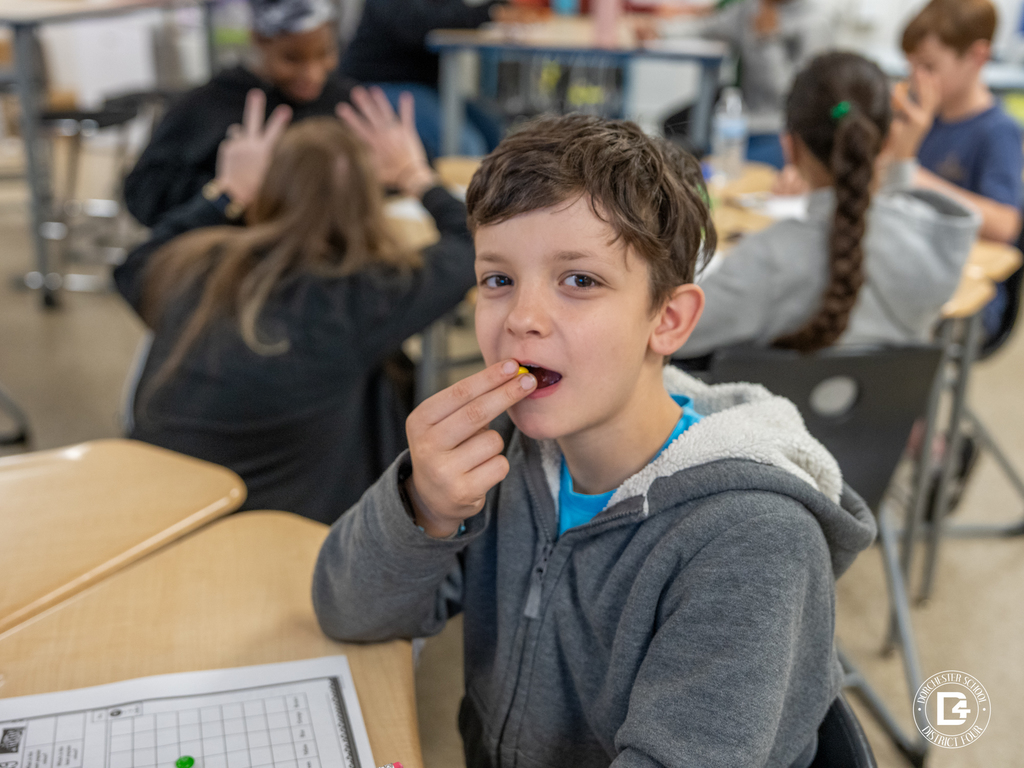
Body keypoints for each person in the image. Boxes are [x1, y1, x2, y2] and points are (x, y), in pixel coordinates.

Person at [312, 114, 877, 767]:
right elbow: (345, 610)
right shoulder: (504, 456)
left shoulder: (753, 541)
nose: (522, 318)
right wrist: (424, 506)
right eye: (498, 279)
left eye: (579, 280)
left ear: (668, 320)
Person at [113, 87, 477, 525]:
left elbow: (133, 266)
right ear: (367, 202)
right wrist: (415, 175)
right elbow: (473, 243)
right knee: (384, 383)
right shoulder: (366, 296)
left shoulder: (198, 266)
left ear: (270, 188)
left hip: (155, 520)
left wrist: (228, 192)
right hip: (280, 539)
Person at [680, 52, 980, 358]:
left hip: (772, 405)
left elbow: (672, 337)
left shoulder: (769, 260)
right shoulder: (935, 247)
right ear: (889, 141)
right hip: (894, 407)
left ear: (790, 148)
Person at [124, 0, 354, 229]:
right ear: (259, 40)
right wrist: (227, 192)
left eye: (324, 53)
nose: (312, 74)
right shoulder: (209, 105)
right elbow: (144, 194)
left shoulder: (342, 101)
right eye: (292, 59)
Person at [899, 0, 1023, 337]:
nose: (916, 79)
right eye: (912, 67)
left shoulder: (998, 132)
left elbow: (1005, 225)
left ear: (977, 57)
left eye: (929, 67)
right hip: (913, 264)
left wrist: (919, 179)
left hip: (966, 295)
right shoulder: (923, 116)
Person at [654, 0, 830, 167]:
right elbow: (707, 27)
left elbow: (791, 94)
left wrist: (768, 41)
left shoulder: (814, 21)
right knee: (673, 127)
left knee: (718, 170)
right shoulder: (752, 8)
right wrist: (659, 30)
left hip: (778, 128)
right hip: (739, 115)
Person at [340, 0, 506, 159]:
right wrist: (491, 12)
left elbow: (454, 15)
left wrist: (495, 10)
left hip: (424, 87)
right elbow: (421, 24)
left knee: (494, 130)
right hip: (380, 84)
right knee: (465, 145)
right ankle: (447, 188)